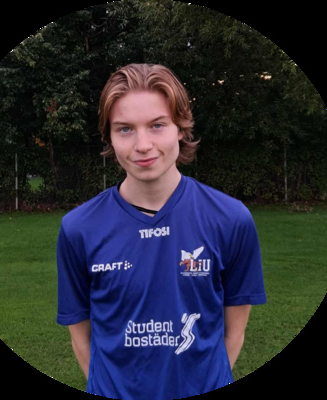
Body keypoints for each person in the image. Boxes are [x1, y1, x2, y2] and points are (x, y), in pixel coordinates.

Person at [56, 63, 267, 399]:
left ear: (180, 127)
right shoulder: (78, 228)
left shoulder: (230, 219)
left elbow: (234, 332)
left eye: (157, 125)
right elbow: (80, 336)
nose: (143, 145)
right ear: (109, 137)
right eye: (125, 129)